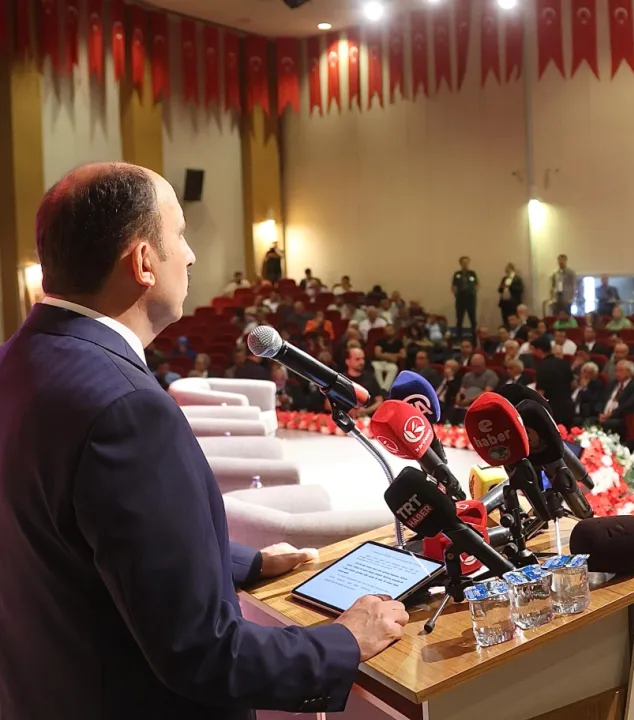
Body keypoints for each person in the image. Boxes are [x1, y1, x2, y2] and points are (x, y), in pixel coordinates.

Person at [0, 164, 407, 719]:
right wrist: (345, 641)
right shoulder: (128, 409)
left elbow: (69, 529)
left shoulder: (16, 363)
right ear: (144, 262)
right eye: (180, 235)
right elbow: (201, 652)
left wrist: (244, 562)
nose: (190, 256)